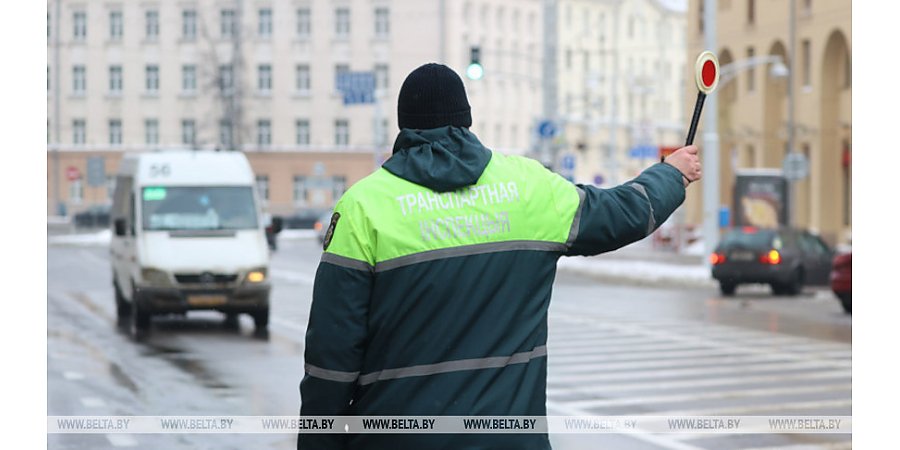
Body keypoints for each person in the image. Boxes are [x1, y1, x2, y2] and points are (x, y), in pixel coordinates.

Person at [298, 63, 701, 449]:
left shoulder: (364, 206)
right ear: (466, 119)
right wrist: (671, 172)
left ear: (404, 125)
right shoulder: (528, 187)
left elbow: (331, 357)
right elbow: (622, 213)